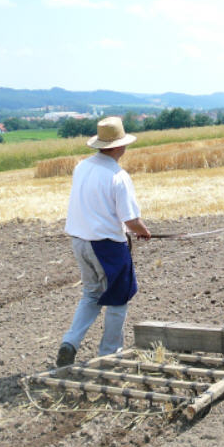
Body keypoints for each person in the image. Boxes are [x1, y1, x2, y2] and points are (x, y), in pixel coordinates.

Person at [56, 116, 151, 367]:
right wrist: (144, 231)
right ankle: (110, 354)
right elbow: (130, 219)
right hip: (107, 246)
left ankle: (70, 342)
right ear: (120, 146)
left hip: (79, 241)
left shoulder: (82, 167)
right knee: (119, 299)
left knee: (90, 294)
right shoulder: (118, 176)